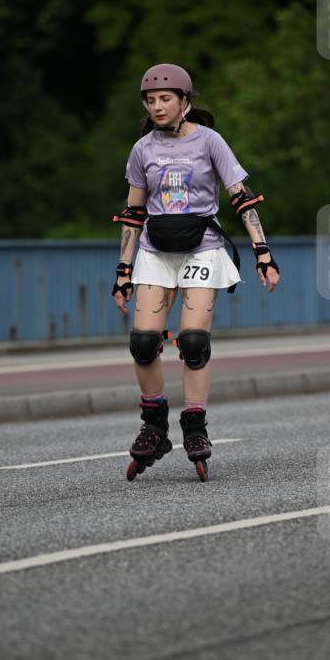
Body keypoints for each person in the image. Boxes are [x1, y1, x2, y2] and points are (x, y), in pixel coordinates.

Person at [112, 63, 280, 481]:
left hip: (202, 249)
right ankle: (154, 426)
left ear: (185, 101)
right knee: (144, 342)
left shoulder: (210, 142)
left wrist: (263, 252)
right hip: (155, 250)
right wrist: (123, 270)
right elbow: (134, 214)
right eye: (151, 100)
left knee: (192, 341)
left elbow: (241, 199)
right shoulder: (142, 149)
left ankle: (195, 427)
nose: (157, 106)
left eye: (166, 98)